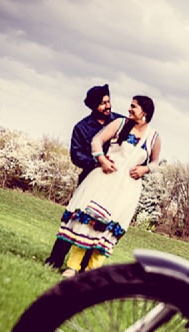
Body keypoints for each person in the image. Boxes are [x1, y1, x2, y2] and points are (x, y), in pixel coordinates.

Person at [56, 95, 161, 278]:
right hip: (104, 180)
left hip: (126, 188)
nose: (129, 109)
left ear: (144, 112)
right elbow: (97, 141)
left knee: (108, 229)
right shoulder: (120, 124)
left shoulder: (154, 137)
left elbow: (155, 162)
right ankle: (72, 267)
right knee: (88, 221)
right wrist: (102, 159)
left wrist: (145, 169)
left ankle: (91, 273)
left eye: (133, 107)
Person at [44, 84, 124, 269]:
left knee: (98, 225)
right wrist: (98, 162)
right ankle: (55, 259)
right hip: (90, 179)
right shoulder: (81, 128)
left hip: (113, 183)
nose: (107, 106)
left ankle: (83, 267)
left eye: (108, 101)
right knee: (75, 218)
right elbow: (76, 155)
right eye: (102, 103)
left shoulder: (121, 122)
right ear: (93, 106)